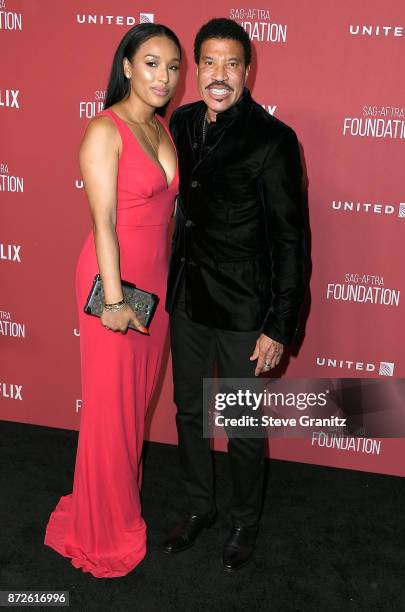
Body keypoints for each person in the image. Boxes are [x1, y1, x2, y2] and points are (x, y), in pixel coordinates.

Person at [163, 18, 308, 571]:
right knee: (190, 411)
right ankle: (200, 507)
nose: (219, 75)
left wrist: (280, 324)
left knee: (243, 424)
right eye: (209, 62)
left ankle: (244, 519)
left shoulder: (274, 141)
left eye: (231, 63)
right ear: (195, 67)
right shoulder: (180, 122)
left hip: (247, 311)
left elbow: (291, 242)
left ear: (248, 70)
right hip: (187, 302)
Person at [44, 23, 181, 578]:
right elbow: (102, 221)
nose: (164, 77)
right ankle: (103, 531)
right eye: (151, 63)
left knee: (134, 406)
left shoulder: (162, 129)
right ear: (126, 65)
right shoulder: (106, 130)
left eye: (173, 67)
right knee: (110, 409)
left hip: (157, 285)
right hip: (114, 285)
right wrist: (115, 301)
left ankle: (115, 505)